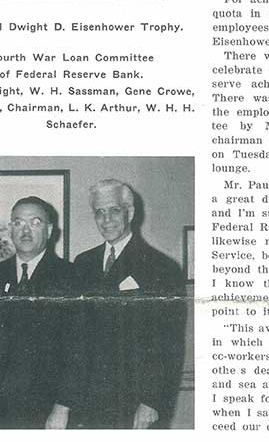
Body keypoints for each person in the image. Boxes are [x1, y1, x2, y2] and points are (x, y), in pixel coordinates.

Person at [73, 179, 186, 429]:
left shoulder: (161, 267)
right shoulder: (82, 264)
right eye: (99, 212)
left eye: (114, 210)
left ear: (130, 212)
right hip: (88, 402)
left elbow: (169, 344)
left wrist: (151, 402)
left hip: (135, 404)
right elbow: (76, 338)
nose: (106, 219)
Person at [0, 196, 82, 428]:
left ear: (49, 230)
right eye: (18, 223)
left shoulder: (72, 277)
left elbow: (80, 349)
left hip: (52, 409)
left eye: (35, 222)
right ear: (10, 228)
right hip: (0, 409)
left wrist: (63, 406)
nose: (26, 230)